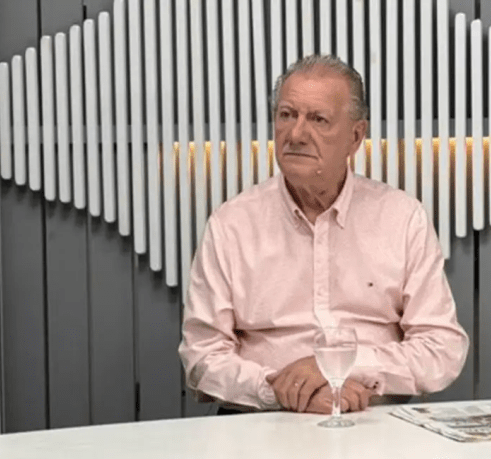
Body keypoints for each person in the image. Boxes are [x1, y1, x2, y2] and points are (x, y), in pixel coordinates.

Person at [178, 54, 469, 414]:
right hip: (260, 420)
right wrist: (281, 390)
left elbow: (441, 348)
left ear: (355, 136)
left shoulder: (402, 217)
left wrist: (342, 367)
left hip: (374, 420)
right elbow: (201, 355)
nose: (296, 134)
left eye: (318, 119)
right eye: (287, 115)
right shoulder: (231, 224)